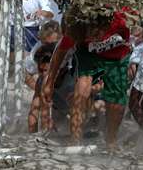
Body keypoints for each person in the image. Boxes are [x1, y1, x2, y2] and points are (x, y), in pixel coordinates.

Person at [43, 8, 132, 149]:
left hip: (118, 57)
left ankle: (111, 140)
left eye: (93, 35)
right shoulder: (77, 29)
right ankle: (75, 140)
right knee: (82, 88)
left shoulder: (121, 18)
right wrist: (50, 82)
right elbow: (59, 54)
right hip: (89, 55)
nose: (91, 38)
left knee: (116, 103)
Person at [25, 20, 62, 90]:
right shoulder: (37, 49)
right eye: (46, 44)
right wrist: (39, 91)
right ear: (42, 40)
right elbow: (25, 73)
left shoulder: (69, 48)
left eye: (53, 44)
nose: (49, 48)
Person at [28, 43, 55, 133]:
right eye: (41, 70)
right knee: (38, 105)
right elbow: (36, 108)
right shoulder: (41, 79)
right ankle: (38, 135)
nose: (43, 73)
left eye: (46, 70)